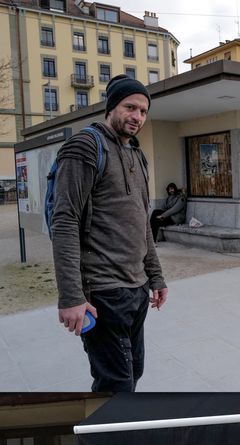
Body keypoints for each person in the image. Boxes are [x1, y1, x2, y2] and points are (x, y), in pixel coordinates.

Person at [51, 74, 167, 392]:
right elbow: (64, 221)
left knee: (134, 373)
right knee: (115, 385)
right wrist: (72, 296)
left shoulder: (137, 155)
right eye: (130, 107)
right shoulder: (85, 146)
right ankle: (109, 439)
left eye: (143, 111)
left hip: (137, 289)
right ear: (112, 107)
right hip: (102, 292)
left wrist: (155, 276)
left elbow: (143, 223)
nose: (137, 117)